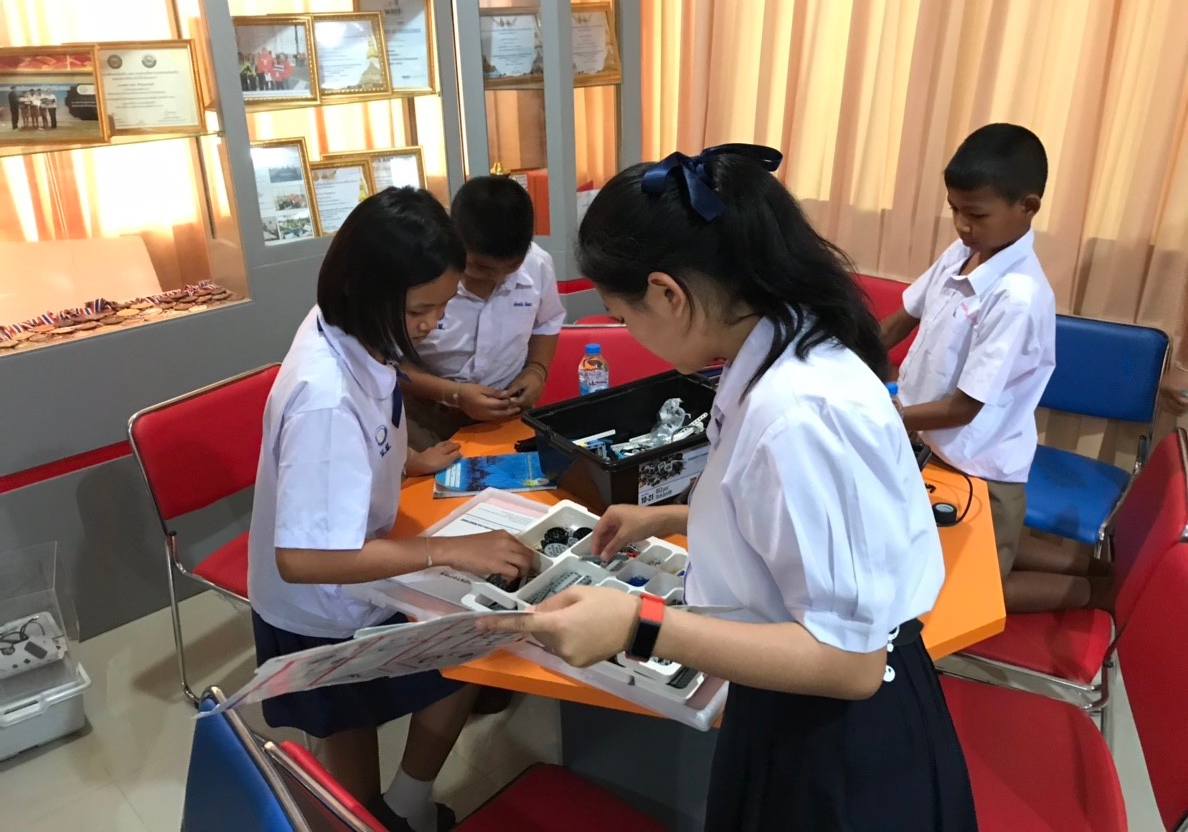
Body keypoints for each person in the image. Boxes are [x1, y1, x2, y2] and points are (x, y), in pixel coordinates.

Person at [480, 144, 977, 830]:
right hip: (791, 697)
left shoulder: (799, 411)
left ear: (668, 294)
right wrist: (676, 519)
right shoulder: (778, 344)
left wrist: (638, 624)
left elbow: (849, 662)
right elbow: (787, 517)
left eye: (624, 316)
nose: (628, 332)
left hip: (840, 733)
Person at [248, 187, 536, 832]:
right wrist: (448, 550)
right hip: (323, 597)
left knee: (457, 656)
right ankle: (375, 817)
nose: (431, 325)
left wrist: (405, 461)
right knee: (353, 730)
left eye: (442, 305)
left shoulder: (349, 327)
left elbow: (370, 414)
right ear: (365, 288)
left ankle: (406, 808)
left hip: (359, 562)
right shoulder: (324, 396)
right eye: (418, 310)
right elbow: (304, 559)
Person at [880, 124, 1112, 614]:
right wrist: (840, 353)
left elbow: (964, 408)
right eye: (955, 210)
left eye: (976, 214)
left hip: (982, 467)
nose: (962, 225)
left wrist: (883, 416)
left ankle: (1108, 593)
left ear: (1027, 206)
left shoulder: (1017, 296)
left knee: (976, 593)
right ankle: (1099, 571)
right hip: (938, 448)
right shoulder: (963, 253)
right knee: (973, 548)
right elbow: (904, 316)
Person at [400, 176, 565, 451]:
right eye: (481, 268)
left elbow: (547, 322)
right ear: (454, 240)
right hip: (426, 413)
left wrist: (537, 371)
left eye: (511, 267)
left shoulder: (538, 265)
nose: (497, 278)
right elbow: (389, 362)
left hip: (506, 410)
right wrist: (454, 394)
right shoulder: (421, 274)